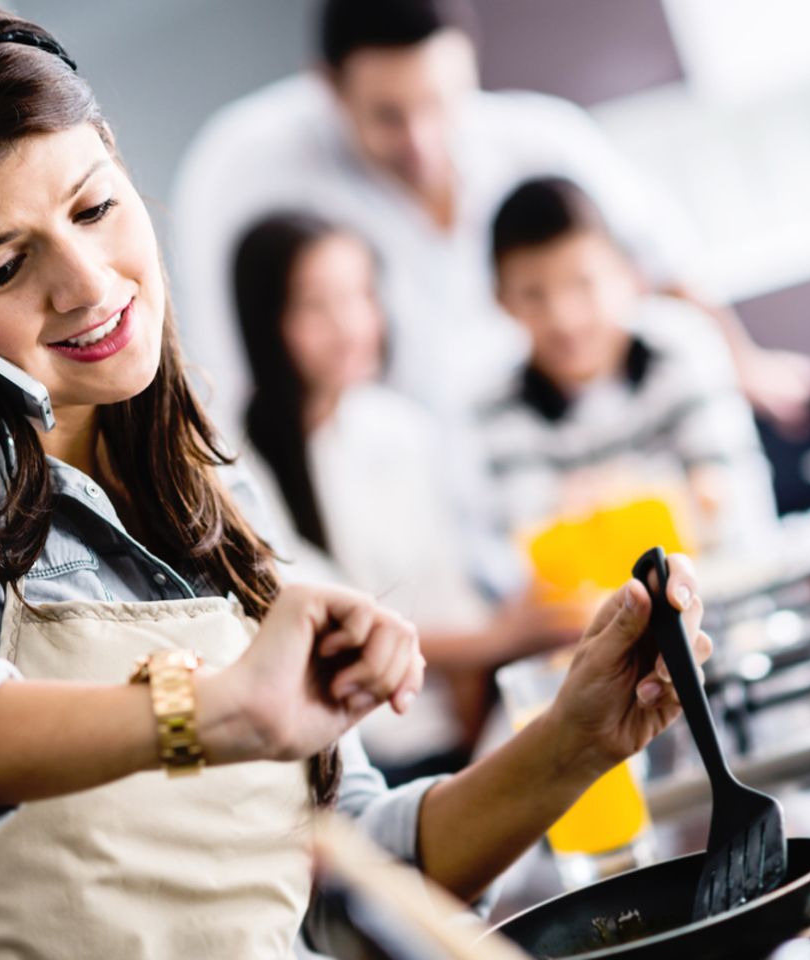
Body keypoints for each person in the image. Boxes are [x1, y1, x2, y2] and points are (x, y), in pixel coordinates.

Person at [0, 6, 709, 959]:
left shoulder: (202, 482)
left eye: (97, 208)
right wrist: (202, 714)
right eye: (2, 267)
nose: (90, 283)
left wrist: (577, 739)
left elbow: (343, 865)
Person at [171, 0, 810, 435]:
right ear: (328, 87)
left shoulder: (541, 136)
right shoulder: (245, 166)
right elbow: (231, 379)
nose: (423, 141)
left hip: (560, 451)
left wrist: (746, 364)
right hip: (405, 482)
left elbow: (661, 260)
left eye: (441, 101)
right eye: (389, 116)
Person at [230, 212, 579, 782]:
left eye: (361, 296)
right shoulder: (242, 467)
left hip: (458, 729)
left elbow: (450, 590)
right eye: (315, 305)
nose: (350, 325)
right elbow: (330, 629)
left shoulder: (398, 428)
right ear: (267, 320)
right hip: (357, 752)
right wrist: (501, 636)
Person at [478, 176, 780, 567]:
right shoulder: (494, 409)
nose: (564, 317)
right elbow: (531, 560)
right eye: (533, 294)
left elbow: (735, 508)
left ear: (626, 274)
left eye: (582, 284)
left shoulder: (682, 346)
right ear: (502, 300)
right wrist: (669, 499)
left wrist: (595, 513)